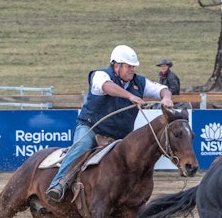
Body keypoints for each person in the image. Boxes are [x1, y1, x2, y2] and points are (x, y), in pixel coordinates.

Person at [46, 45, 174, 204]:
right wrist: (130, 97)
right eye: (128, 66)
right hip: (92, 128)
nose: (132, 69)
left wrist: (166, 97)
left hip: (120, 137)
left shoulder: (139, 82)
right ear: (116, 65)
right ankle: (58, 184)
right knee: (82, 146)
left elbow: (162, 88)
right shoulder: (100, 75)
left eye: (133, 66)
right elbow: (106, 87)